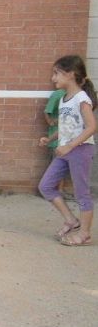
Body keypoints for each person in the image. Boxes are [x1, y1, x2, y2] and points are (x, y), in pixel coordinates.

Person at [38, 55, 97, 246]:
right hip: (64, 151)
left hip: (80, 150)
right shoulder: (63, 99)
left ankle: (84, 234)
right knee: (46, 186)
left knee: (82, 193)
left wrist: (70, 145)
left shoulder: (81, 98)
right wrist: (50, 139)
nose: (53, 78)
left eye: (56, 73)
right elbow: (66, 126)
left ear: (70, 74)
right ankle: (71, 220)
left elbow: (92, 127)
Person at [43, 88, 70, 195]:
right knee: (58, 165)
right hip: (56, 138)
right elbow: (47, 111)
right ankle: (55, 191)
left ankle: (59, 190)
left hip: (68, 137)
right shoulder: (58, 94)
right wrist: (51, 122)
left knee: (63, 165)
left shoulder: (74, 94)